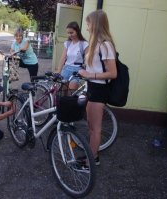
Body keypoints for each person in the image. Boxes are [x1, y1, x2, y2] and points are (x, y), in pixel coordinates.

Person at [78, 10, 117, 165]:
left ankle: (92, 161)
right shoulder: (96, 44)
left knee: (95, 128)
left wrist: (89, 75)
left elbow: (113, 73)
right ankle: (92, 154)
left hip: (99, 89)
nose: (87, 27)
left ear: (96, 24)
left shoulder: (106, 45)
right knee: (91, 126)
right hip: (92, 88)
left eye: (88, 23)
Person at [55, 21, 88, 90]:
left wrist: (88, 73)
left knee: (71, 92)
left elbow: (88, 59)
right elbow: (63, 57)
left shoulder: (84, 44)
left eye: (71, 32)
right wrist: (58, 71)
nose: (70, 35)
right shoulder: (67, 43)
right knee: (62, 91)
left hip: (77, 70)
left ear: (77, 31)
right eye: (68, 33)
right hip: (66, 69)